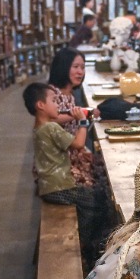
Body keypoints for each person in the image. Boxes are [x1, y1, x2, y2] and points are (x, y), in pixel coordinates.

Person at [23, 82, 111, 266]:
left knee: (92, 198)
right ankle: (87, 246)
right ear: (41, 105)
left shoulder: (40, 127)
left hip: (50, 185)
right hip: (60, 186)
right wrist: (82, 122)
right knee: (97, 201)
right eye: (54, 101)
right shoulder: (51, 128)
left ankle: (89, 243)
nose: (58, 105)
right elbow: (79, 144)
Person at [48, 47, 101, 178]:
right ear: (63, 67)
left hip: (71, 154)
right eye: (75, 67)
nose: (80, 72)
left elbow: (70, 114)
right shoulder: (51, 93)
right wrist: (82, 115)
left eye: (82, 68)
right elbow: (50, 119)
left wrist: (88, 113)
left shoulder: (69, 95)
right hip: (59, 162)